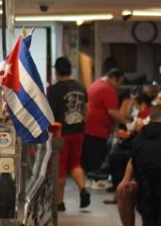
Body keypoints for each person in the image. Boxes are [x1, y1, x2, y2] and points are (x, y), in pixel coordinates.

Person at [46, 57, 91, 212]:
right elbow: (87, 109)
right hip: (79, 131)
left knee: (61, 167)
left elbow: (49, 113)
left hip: (62, 132)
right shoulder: (80, 86)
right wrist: (83, 124)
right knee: (75, 163)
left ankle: (60, 202)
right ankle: (82, 189)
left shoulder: (54, 89)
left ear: (56, 71)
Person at [83, 68, 126, 177]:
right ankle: (95, 179)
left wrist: (114, 129)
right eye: (120, 82)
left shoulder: (97, 84)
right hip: (97, 129)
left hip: (89, 127)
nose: (120, 86)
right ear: (113, 79)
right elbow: (112, 112)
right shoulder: (108, 89)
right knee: (96, 160)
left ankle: (91, 178)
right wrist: (128, 123)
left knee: (91, 157)